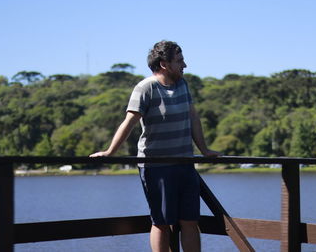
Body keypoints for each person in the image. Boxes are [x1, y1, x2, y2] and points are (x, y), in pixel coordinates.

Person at [90, 40, 221, 252]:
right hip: (156, 167)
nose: (184, 65)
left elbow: (193, 118)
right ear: (164, 64)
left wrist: (204, 150)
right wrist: (109, 152)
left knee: (190, 221)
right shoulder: (145, 88)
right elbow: (129, 122)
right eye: (179, 61)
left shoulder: (183, 85)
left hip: (185, 164)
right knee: (161, 222)